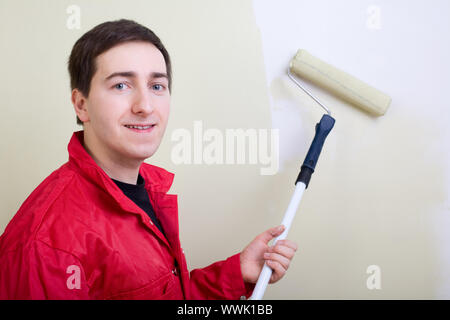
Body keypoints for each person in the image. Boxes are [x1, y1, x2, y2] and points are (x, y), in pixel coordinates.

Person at [0, 19, 297, 299]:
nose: (145, 106)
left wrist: (236, 273)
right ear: (81, 105)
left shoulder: (147, 189)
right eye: (121, 85)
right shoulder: (44, 244)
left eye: (157, 86)